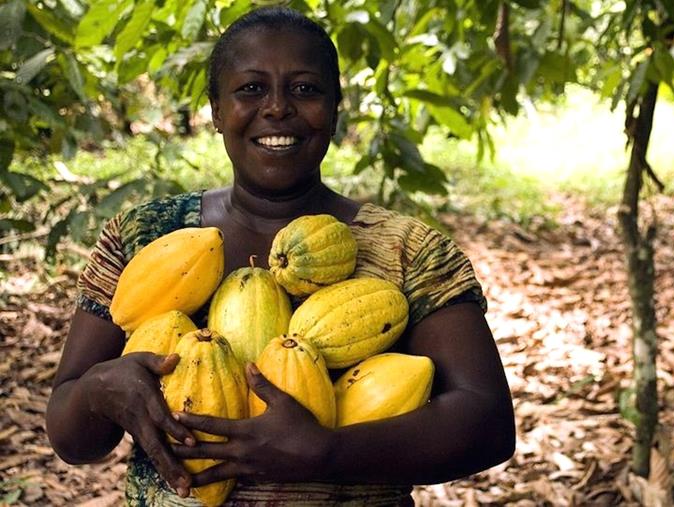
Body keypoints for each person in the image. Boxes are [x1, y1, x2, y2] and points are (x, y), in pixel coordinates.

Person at [45, 6, 516, 505]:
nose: (276, 108)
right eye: (251, 89)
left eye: (305, 89)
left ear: (336, 108)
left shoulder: (408, 251)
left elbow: (487, 424)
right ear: (216, 110)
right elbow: (71, 437)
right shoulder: (144, 236)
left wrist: (328, 452)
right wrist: (99, 392)